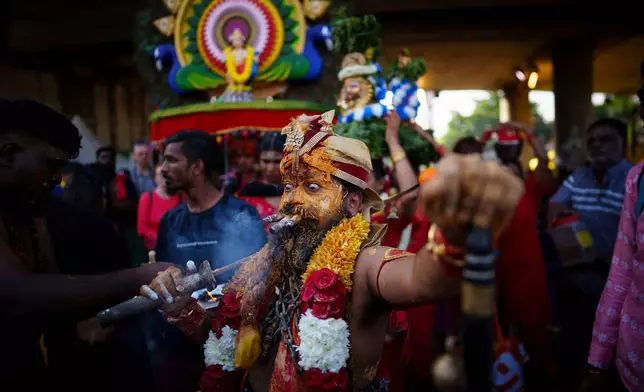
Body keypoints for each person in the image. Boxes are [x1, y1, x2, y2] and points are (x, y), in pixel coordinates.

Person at [140, 110, 524, 391]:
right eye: (288, 188)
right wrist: (188, 313)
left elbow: (424, 280)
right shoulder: (264, 265)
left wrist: (454, 233)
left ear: (353, 204)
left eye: (311, 188)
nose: (290, 202)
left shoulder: (364, 264)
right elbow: (230, 344)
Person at [0, 99, 172, 390]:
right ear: (8, 155)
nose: (57, 180)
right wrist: (139, 277)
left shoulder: (28, 209)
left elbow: (50, 285)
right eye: (51, 164)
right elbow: (16, 295)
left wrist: (94, 320)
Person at [150, 130, 267, 392]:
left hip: (229, 346)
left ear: (197, 167)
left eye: (171, 160)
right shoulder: (171, 220)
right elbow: (165, 278)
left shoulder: (240, 214)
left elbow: (260, 279)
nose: (163, 168)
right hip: (179, 349)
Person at [238, 132, 286, 223]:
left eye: (277, 161)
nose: (270, 168)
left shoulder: (298, 192)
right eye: (266, 161)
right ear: (258, 160)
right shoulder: (249, 192)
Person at [137, 165, 183, 251]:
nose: (165, 177)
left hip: (177, 248)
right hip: (153, 250)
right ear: (154, 178)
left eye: (168, 174)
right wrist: (161, 239)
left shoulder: (181, 198)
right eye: (161, 174)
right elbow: (142, 229)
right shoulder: (147, 198)